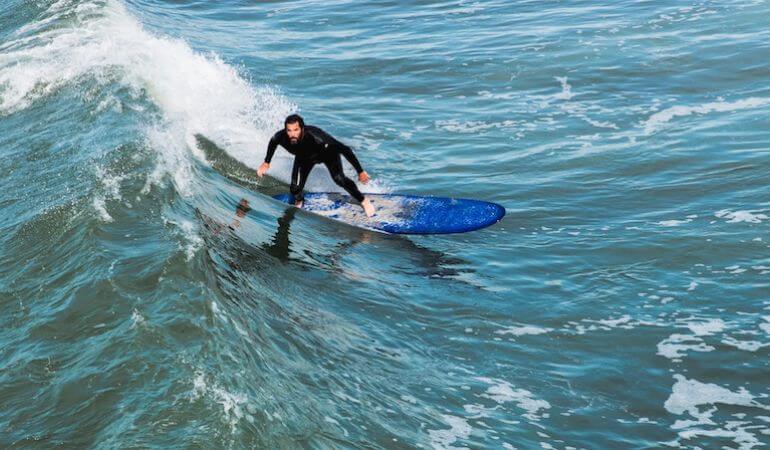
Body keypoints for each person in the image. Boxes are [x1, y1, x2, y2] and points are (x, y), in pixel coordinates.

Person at [256, 114, 375, 217]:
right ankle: (299, 200)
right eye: (289, 130)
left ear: (302, 128)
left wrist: (360, 171)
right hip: (304, 157)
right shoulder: (281, 136)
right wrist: (266, 162)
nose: (292, 134)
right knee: (294, 187)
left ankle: (364, 201)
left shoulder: (317, 137)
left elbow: (345, 149)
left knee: (339, 179)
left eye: (296, 130)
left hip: (327, 153)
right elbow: (273, 142)